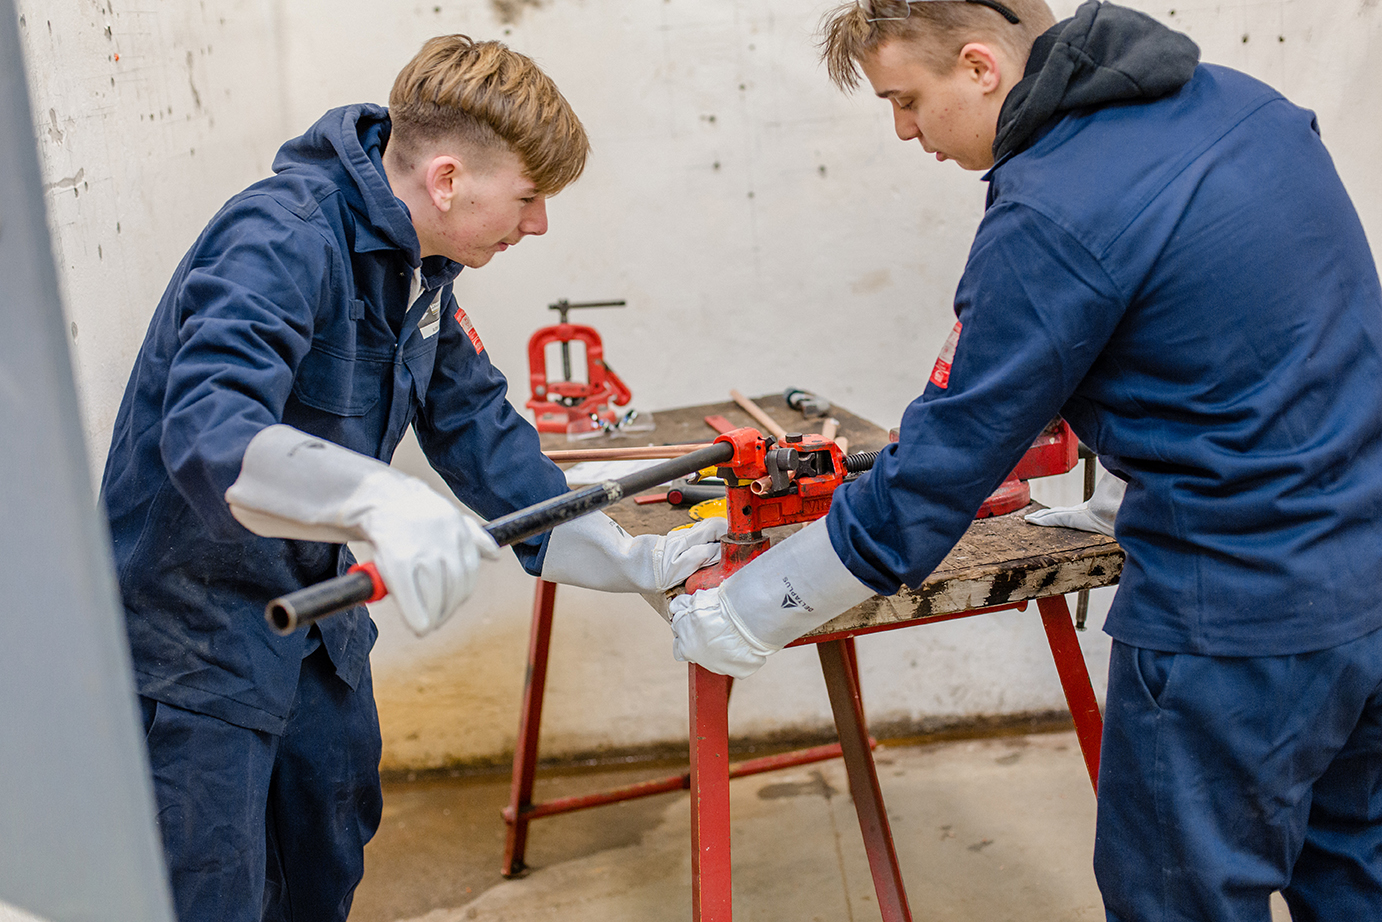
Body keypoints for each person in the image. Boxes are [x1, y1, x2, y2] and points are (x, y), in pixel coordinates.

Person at [668, 2, 1382, 919]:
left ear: (979, 66)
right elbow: (1273, 336)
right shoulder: (1246, 107)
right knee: (1355, 874)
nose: (902, 130)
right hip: (1365, 580)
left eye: (906, 99)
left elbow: (943, 467)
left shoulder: (1054, 207)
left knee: (1180, 897)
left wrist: (753, 610)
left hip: (1234, 617)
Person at [100, 34, 725, 922]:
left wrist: (627, 558)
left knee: (325, 863)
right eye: (529, 198)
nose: (538, 223)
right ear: (446, 179)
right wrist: (376, 499)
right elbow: (208, 432)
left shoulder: (422, 272)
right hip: (194, 644)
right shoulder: (280, 238)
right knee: (208, 892)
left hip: (317, 635)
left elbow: (480, 429)